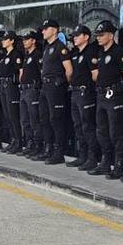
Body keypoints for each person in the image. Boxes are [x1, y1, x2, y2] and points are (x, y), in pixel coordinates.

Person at [89, 21, 123, 178]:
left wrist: (120, 89)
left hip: (114, 97)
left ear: (110, 35)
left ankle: (119, 165)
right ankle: (105, 163)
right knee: (102, 132)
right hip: (101, 96)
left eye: (102, 35)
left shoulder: (120, 52)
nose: (99, 38)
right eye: (98, 35)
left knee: (116, 133)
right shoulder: (101, 53)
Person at [40, 19, 73, 165]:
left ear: (54, 30)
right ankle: (48, 149)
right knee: (45, 118)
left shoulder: (61, 47)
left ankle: (58, 152)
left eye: (46, 29)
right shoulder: (47, 47)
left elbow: (69, 70)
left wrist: (62, 84)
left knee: (56, 120)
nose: (43, 31)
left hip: (55, 87)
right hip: (45, 87)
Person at [68, 25, 100, 171]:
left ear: (86, 37)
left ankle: (92, 158)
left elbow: (95, 76)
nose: (74, 38)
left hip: (85, 93)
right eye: (74, 36)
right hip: (75, 93)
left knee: (88, 126)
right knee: (78, 126)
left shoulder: (91, 52)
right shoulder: (75, 53)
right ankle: (82, 155)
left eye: (77, 35)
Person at [18, 31, 45, 159]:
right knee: (25, 120)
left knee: (35, 120)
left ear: (33, 41)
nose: (24, 41)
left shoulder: (37, 55)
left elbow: (42, 73)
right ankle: (30, 144)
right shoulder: (27, 55)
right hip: (24, 90)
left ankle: (38, 146)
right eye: (23, 39)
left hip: (33, 90)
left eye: (27, 39)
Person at [0, 31, 23, 154]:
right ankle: (12, 140)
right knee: (7, 115)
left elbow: (20, 72)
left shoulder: (16, 55)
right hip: (3, 85)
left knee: (14, 116)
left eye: (6, 39)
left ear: (12, 41)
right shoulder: (5, 55)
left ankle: (18, 141)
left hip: (11, 86)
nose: (3, 41)